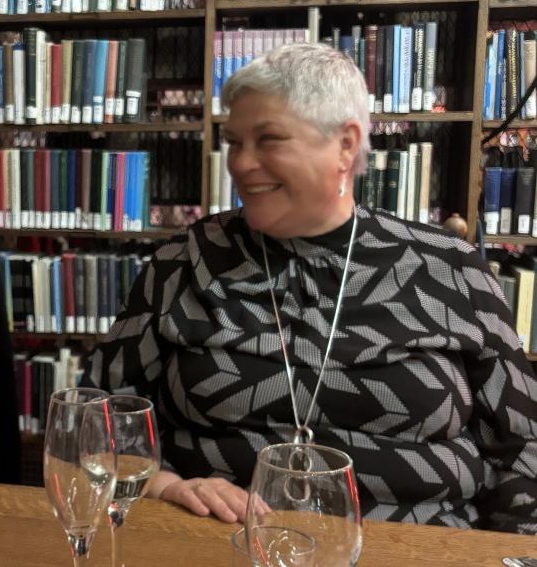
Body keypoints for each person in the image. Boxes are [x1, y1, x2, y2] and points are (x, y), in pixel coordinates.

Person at [83, 43, 537, 534]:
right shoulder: (184, 263)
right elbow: (96, 422)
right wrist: (168, 485)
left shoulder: (448, 267)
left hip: (417, 546)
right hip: (217, 542)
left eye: (269, 140)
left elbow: (524, 449)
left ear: (345, 145)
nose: (241, 163)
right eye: (234, 142)